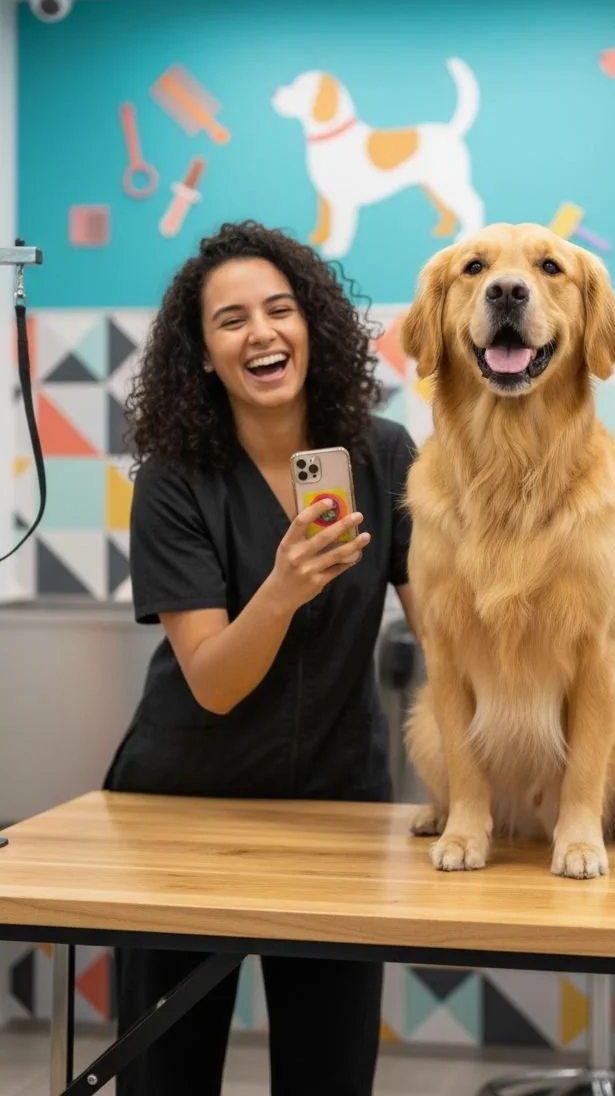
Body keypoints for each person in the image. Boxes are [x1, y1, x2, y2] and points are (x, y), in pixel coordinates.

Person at [103, 220, 420, 1096]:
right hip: (184, 810)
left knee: (330, 1071)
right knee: (166, 1073)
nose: (262, 333)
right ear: (203, 354)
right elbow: (210, 680)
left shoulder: (383, 455)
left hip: (336, 809)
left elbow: (446, 628)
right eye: (231, 320)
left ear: (313, 327)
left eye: (280, 310)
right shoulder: (174, 477)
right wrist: (282, 587)